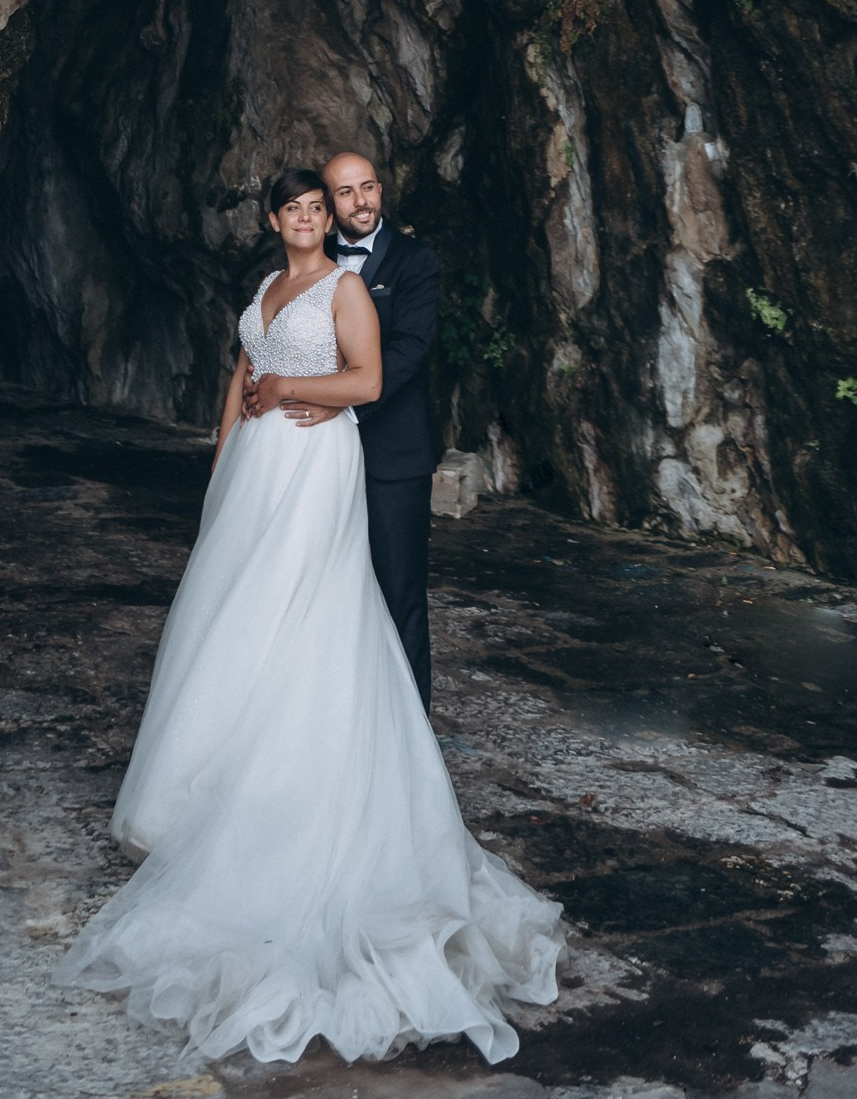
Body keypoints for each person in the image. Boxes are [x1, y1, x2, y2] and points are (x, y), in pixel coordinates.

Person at [63, 166, 562, 1068]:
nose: (307, 218)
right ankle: (207, 786)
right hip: (256, 471)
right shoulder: (265, 288)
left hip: (314, 464)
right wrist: (219, 470)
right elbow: (243, 374)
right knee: (235, 617)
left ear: (328, 216)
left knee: (318, 612)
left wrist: (290, 396)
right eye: (293, 207)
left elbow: (367, 383)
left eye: (317, 207)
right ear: (273, 218)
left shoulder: (346, 288)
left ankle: (302, 793)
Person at [244, 143, 440, 707]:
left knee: (398, 593)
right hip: (309, 459)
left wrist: (340, 402)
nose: (362, 200)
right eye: (346, 191)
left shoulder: (414, 261)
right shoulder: (307, 258)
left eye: (370, 186)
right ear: (328, 204)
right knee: (318, 590)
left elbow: (410, 347)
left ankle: (409, 736)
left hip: (390, 456)